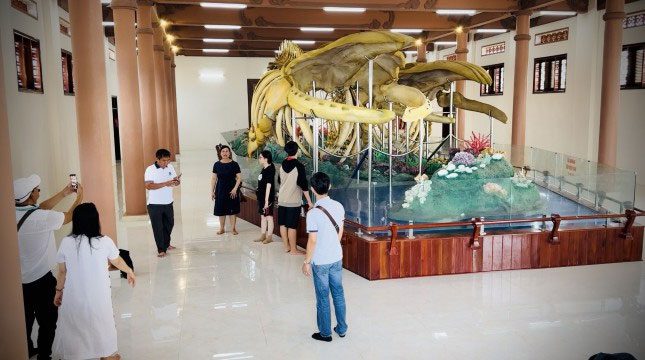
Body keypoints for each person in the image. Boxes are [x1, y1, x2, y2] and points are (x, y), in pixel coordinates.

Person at [52, 203, 135, 360]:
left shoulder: (66, 242)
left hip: (74, 296)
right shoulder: (104, 242)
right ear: (95, 220)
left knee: (75, 327)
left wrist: (58, 291)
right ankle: (106, 355)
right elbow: (117, 261)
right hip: (98, 297)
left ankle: (76, 355)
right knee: (101, 326)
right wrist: (129, 271)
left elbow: (62, 272)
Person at [14, 174, 83, 360]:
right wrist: (79, 197)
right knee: (48, 321)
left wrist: (63, 193)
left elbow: (37, 209)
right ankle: (44, 356)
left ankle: (26, 350)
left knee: (25, 322)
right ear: (30, 195)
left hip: (18, 283)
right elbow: (68, 217)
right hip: (41, 281)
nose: (39, 192)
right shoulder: (41, 219)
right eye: (37, 190)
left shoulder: (13, 212)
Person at [302, 172, 347, 342]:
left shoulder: (313, 213)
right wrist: (333, 246)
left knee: (322, 297)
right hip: (336, 256)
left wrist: (306, 262)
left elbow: (312, 240)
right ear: (329, 186)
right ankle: (342, 328)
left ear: (313, 189)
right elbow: (340, 230)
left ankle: (325, 333)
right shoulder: (338, 206)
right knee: (338, 294)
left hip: (320, 261)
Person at [278, 141, 312, 254]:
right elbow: (303, 185)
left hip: (282, 199)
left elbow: (279, 181)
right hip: (293, 201)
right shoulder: (299, 166)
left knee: (283, 223)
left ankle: (286, 246)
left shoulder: (282, 164)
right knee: (292, 225)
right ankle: (293, 250)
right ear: (297, 150)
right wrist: (310, 202)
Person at [145, 148, 180, 257]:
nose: (166, 163)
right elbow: (149, 186)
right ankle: (161, 249)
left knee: (169, 224)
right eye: (164, 160)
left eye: (168, 160)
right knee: (158, 227)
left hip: (168, 202)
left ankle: (167, 243)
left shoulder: (170, 167)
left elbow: (175, 181)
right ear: (158, 159)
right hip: (154, 204)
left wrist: (176, 182)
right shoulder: (150, 170)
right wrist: (166, 183)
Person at [211, 145, 242, 235]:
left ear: (229, 153)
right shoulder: (217, 164)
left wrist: (235, 189)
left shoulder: (234, 164)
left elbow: (239, 178)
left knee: (232, 210)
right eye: (223, 151)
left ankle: (233, 228)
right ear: (220, 153)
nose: (225, 153)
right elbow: (213, 179)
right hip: (220, 189)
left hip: (232, 190)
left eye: (226, 151)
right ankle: (222, 228)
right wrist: (212, 191)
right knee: (221, 210)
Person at [254, 150, 276, 244]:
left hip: (267, 198)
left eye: (260, 157)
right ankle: (263, 235)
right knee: (263, 216)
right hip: (261, 196)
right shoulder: (264, 168)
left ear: (266, 159)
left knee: (269, 217)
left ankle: (269, 236)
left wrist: (267, 201)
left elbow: (269, 185)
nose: (259, 159)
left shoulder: (270, 169)